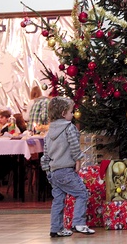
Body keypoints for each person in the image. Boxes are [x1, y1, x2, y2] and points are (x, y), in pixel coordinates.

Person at [40, 96, 95, 238]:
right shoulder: (69, 128)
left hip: (53, 172)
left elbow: (45, 155)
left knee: (58, 200)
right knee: (82, 193)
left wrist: (48, 171)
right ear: (64, 113)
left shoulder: (48, 133)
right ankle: (79, 223)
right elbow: (74, 146)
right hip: (66, 170)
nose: (73, 114)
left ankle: (55, 228)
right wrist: (78, 160)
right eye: (71, 112)